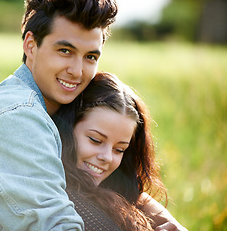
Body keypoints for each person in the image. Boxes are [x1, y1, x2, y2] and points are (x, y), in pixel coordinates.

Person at [0, 0, 118, 230]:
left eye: (90, 57)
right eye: (65, 51)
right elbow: (56, 226)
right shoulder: (16, 116)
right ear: (31, 45)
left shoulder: (58, 108)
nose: (77, 71)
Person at [54, 72, 187, 231]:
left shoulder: (120, 194)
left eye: (119, 149)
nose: (107, 157)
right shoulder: (59, 195)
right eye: (96, 140)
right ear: (67, 128)